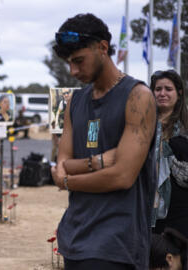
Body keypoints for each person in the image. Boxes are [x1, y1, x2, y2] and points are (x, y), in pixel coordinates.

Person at [50, 13, 157, 269]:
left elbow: (122, 177)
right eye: (69, 63)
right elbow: (60, 166)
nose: (73, 71)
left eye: (79, 61)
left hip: (116, 244)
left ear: (103, 48)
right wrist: (99, 162)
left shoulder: (138, 97)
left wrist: (68, 180)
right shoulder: (73, 101)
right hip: (74, 238)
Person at [150, 70, 188, 238]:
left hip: (180, 210)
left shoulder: (186, 126)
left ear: (179, 93)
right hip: (147, 205)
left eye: (168, 89)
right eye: (158, 89)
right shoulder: (142, 124)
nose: (162, 93)